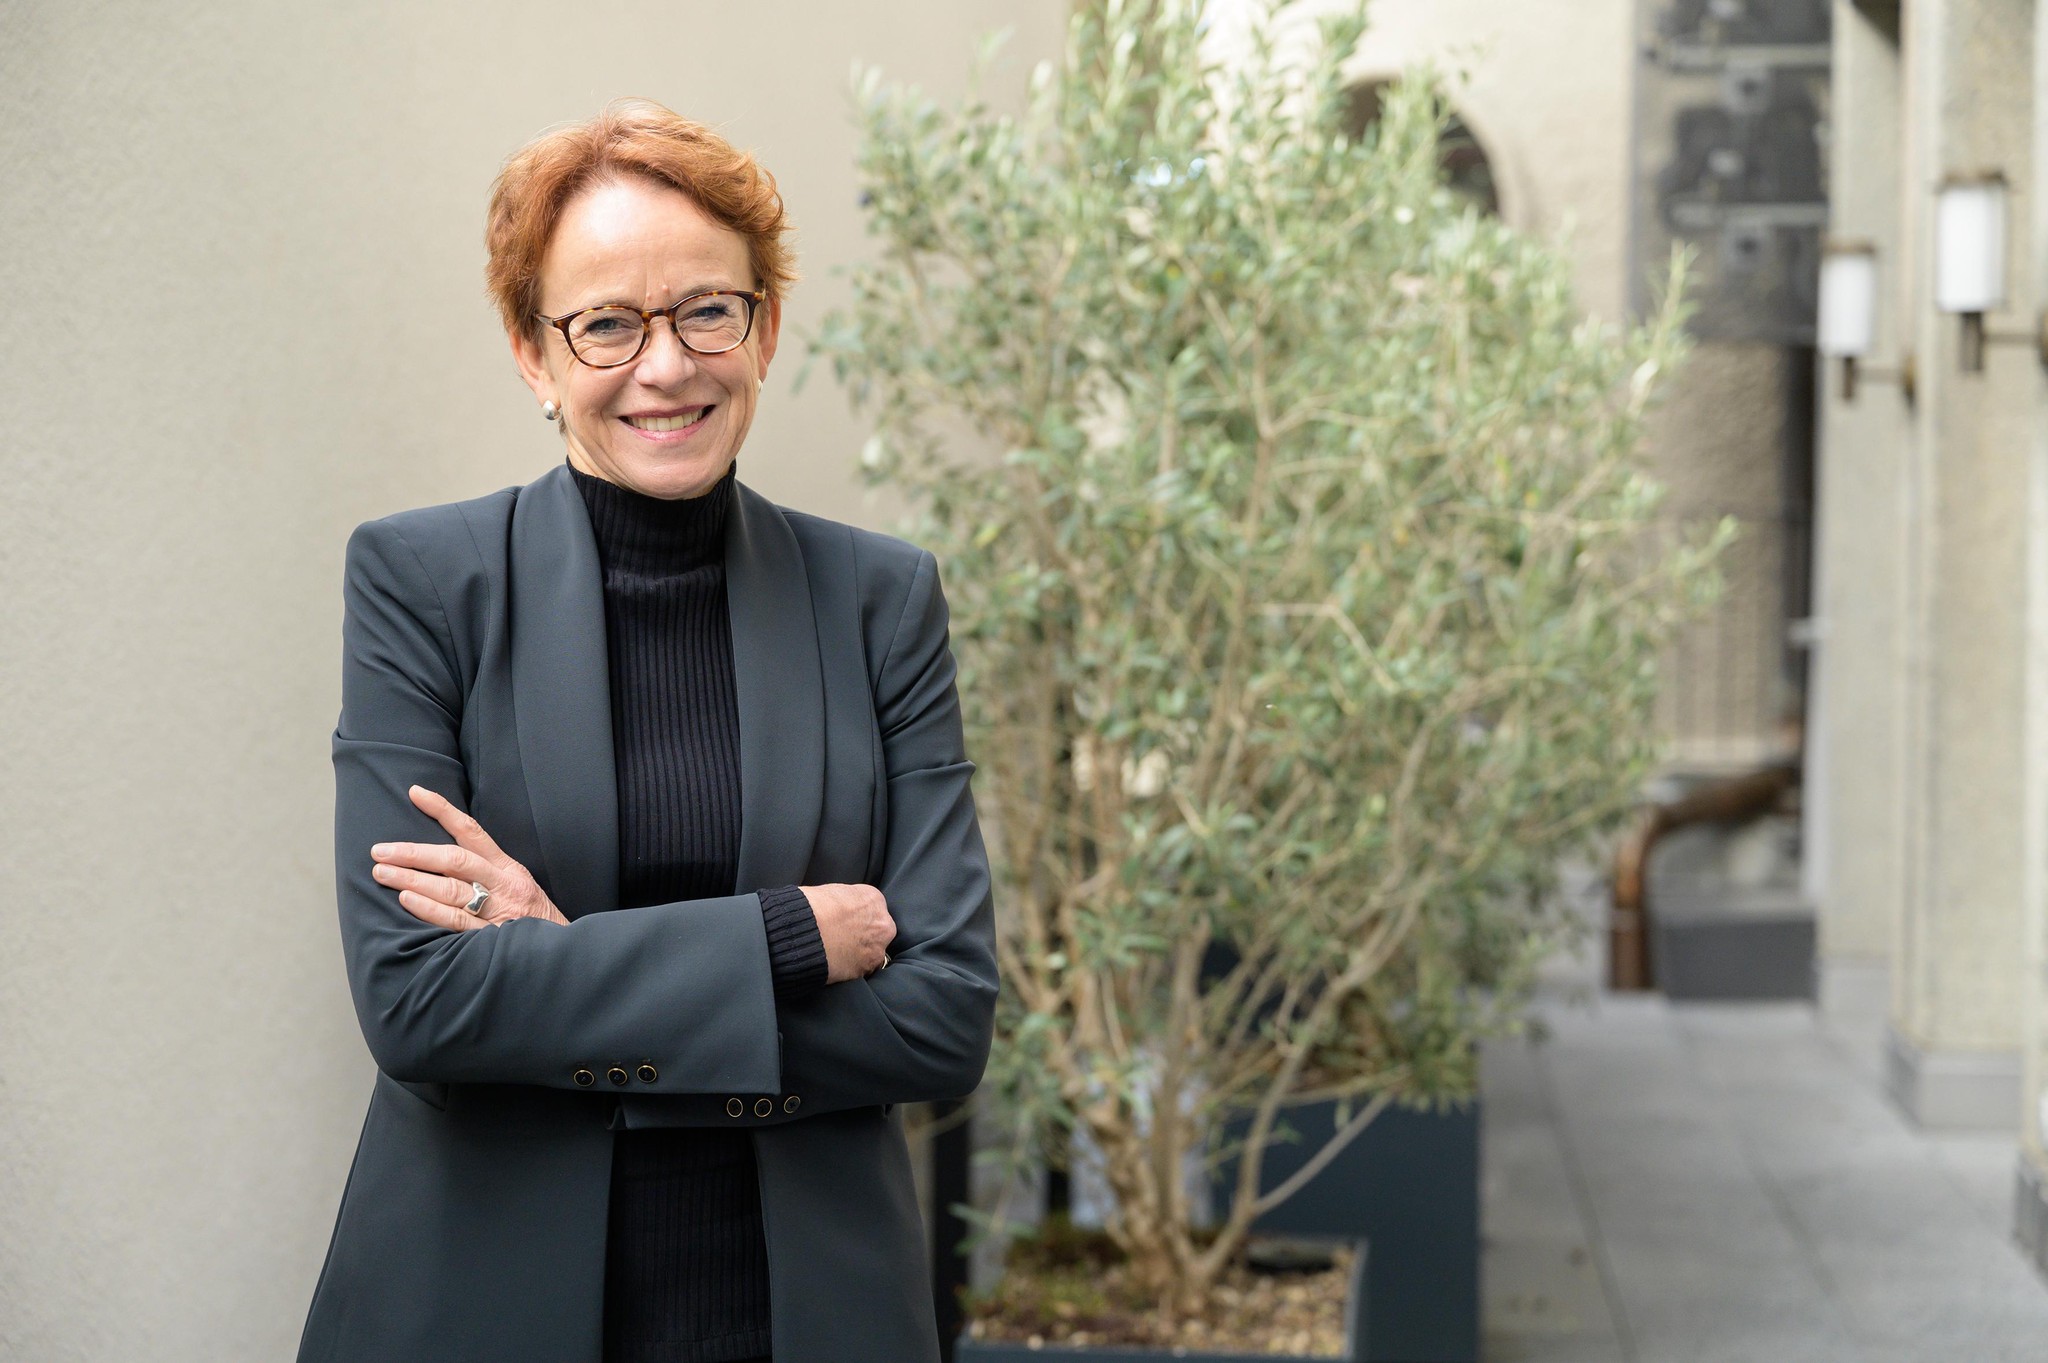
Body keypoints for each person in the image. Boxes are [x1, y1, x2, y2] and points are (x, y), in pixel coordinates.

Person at [296, 98, 998, 1363]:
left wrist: (562, 975)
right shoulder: (423, 584)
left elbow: (945, 1015)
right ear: (534, 351)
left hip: (806, 1308)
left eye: (705, 312)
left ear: (764, 326)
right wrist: (787, 936)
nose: (664, 365)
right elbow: (416, 1004)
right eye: (606, 323)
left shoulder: (880, 598)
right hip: (480, 1295)